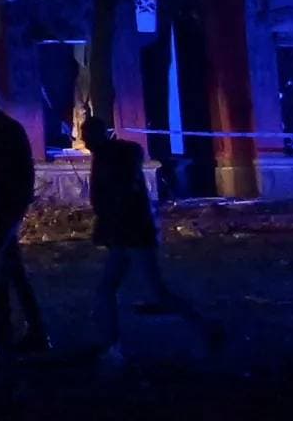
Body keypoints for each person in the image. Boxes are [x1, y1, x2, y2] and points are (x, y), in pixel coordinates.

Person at [84, 115, 223, 362]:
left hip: (132, 234)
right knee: (107, 288)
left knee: (155, 292)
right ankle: (111, 345)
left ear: (99, 134)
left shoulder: (113, 158)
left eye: (87, 134)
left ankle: (205, 327)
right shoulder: (109, 156)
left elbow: (120, 197)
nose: (84, 139)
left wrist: (110, 223)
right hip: (125, 234)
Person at [0, 81, 50, 352]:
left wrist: (16, 206)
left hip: (8, 209)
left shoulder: (8, 129)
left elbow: (24, 172)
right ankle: (35, 331)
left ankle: (2, 322)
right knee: (13, 270)